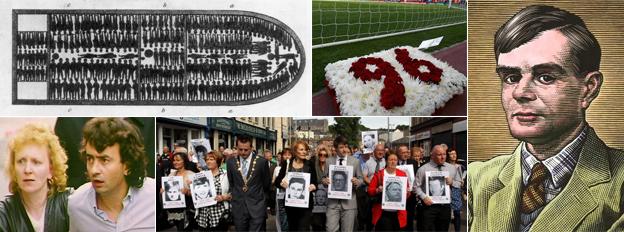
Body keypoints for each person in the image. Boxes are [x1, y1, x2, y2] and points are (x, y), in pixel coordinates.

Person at [468, 5, 624, 231]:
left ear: (588, 88)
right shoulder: (476, 179)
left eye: (545, 77)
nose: (520, 93)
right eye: (511, 77)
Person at [68, 118, 155, 231]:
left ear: (127, 165)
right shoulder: (76, 205)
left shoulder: (151, 197)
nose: (94, 170)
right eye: (90, 159)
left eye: (104, 160)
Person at [0, 124, 70, 232]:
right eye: (21, 161)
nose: (27, 170)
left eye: (36, 162)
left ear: (51, 169)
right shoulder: (4, 214)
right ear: (13, 168)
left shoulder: (70, 204)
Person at [226, 135, 271, 231]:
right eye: (240, 149)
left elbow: (266, 184)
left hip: (257, 206)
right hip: (239, 207)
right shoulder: (231, 162)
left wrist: (262, 202)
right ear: (236, 148)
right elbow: (231, 182)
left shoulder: (261, 162)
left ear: (251, 148)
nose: (243, 152)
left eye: (246, 150)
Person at [415, 145, 462, 232]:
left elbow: (459, 183)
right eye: (439, 154)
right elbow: (416, 186)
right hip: (429, 206)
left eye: (444, 154)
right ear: (432, 156)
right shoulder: (423, 169)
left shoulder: (452, 168)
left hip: (445, 207)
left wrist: (452, 182)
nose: (443, 157)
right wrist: (423, 197)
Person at [322, 136, 363, 232]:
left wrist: (357, 182)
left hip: (349, 203)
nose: (344, 149)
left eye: (346, 146)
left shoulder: (355, 161)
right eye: (341, 147)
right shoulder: (329, 161)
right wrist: (324, 181)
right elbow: (324, 178)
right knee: (330, 229)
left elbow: (361, 179)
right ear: (335, 149)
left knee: (347, 230)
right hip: (333, 203)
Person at [275, 140, 317, 231]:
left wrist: (313, 186)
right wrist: (282, 184)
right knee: (292, 228)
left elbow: (315, 182)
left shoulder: (310, 164)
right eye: (301, 149)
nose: (304, 152)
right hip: (291, 205)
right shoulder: (287, 164)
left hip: (305, 205)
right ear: (295, 151)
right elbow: (277, 181)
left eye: (305, 150)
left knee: (303, 228)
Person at [368, 152, 409, 231]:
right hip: (383, 213)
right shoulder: (379, 174)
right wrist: (377, 190)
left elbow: (407, 195)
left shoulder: (402, 174)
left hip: (398, 213)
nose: (393, 162)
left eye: (395, 160)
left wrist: (407, 192)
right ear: (386, 161)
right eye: (391, 160)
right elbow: (370, 190)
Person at [195, 151, 231, 232]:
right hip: (203, 216)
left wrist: (224, 197)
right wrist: (191, 187)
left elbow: (235, 193)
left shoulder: (226, 175)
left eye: (211, 159)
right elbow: (196, 195)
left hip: (219, 215)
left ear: (218, 161)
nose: (208, 161)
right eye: (207, 159)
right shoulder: (201, 175)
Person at [397, 144, 417, 231]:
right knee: (399, 219)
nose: (405, 154)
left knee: (410, 218)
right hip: (398, 195)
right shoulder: (394, 162)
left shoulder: (413, 162)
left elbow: (417, 178)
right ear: (398, 153)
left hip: (411, 196)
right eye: (403, 152)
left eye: (407, 152)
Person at [273, 149, 292, 231]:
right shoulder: (277, 168)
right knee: (282, 216)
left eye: (289, 154)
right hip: (281, 194)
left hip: (292, 196)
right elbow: (274, 181)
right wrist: (281, 183)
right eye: (285, 154)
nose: (287, 156)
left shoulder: (293, 166)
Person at [311, 145, 330, 231]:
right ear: (317, 155)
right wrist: (322, 180)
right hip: (316, 197)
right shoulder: (313, 165)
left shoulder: (330, 165)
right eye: (320, 155)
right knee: (316, 222)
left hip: (328, 198)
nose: (322, 157)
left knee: (327, 222)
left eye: (325, 155)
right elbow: (312, 179)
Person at [447, 149, 464, 232]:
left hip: (455, 190)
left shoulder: (459, 167)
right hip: (446, 191)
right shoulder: (444, 166)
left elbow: (461, 181)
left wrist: (453, 182)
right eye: (451, 154)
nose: (454, 155)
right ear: (448, 155)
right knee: (446, 214)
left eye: (455, 154)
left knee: (457, 212)